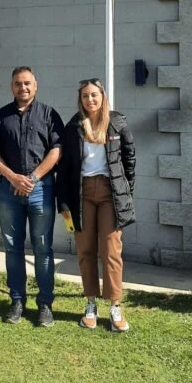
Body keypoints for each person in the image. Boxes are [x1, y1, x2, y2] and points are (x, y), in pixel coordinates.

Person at [56, 77, 135, 332]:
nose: (90, 100)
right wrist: (64, 202)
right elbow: (65, 168)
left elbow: (129, 160)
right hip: (83, 193)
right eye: (85, 96)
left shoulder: (117, 123)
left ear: (102, 96)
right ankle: (90, 303)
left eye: (94, 95)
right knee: (86, 249)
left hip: (110, 193)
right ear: (80, 99)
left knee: (111, 250)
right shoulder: (74, 127)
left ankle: (115, 306)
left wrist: (125, 193)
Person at [0, 66, 64, 327]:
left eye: (27, 83)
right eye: (18, 84)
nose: (23, 88)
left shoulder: (49, 114)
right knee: (13, 248)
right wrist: (12, 177)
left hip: (40, 189)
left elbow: (56, 151)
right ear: (12, 86)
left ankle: (45, 305)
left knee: (43, 248)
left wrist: (31, 179)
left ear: (36, 85)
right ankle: (17, 301)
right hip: (8, 191)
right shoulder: (1, 116)